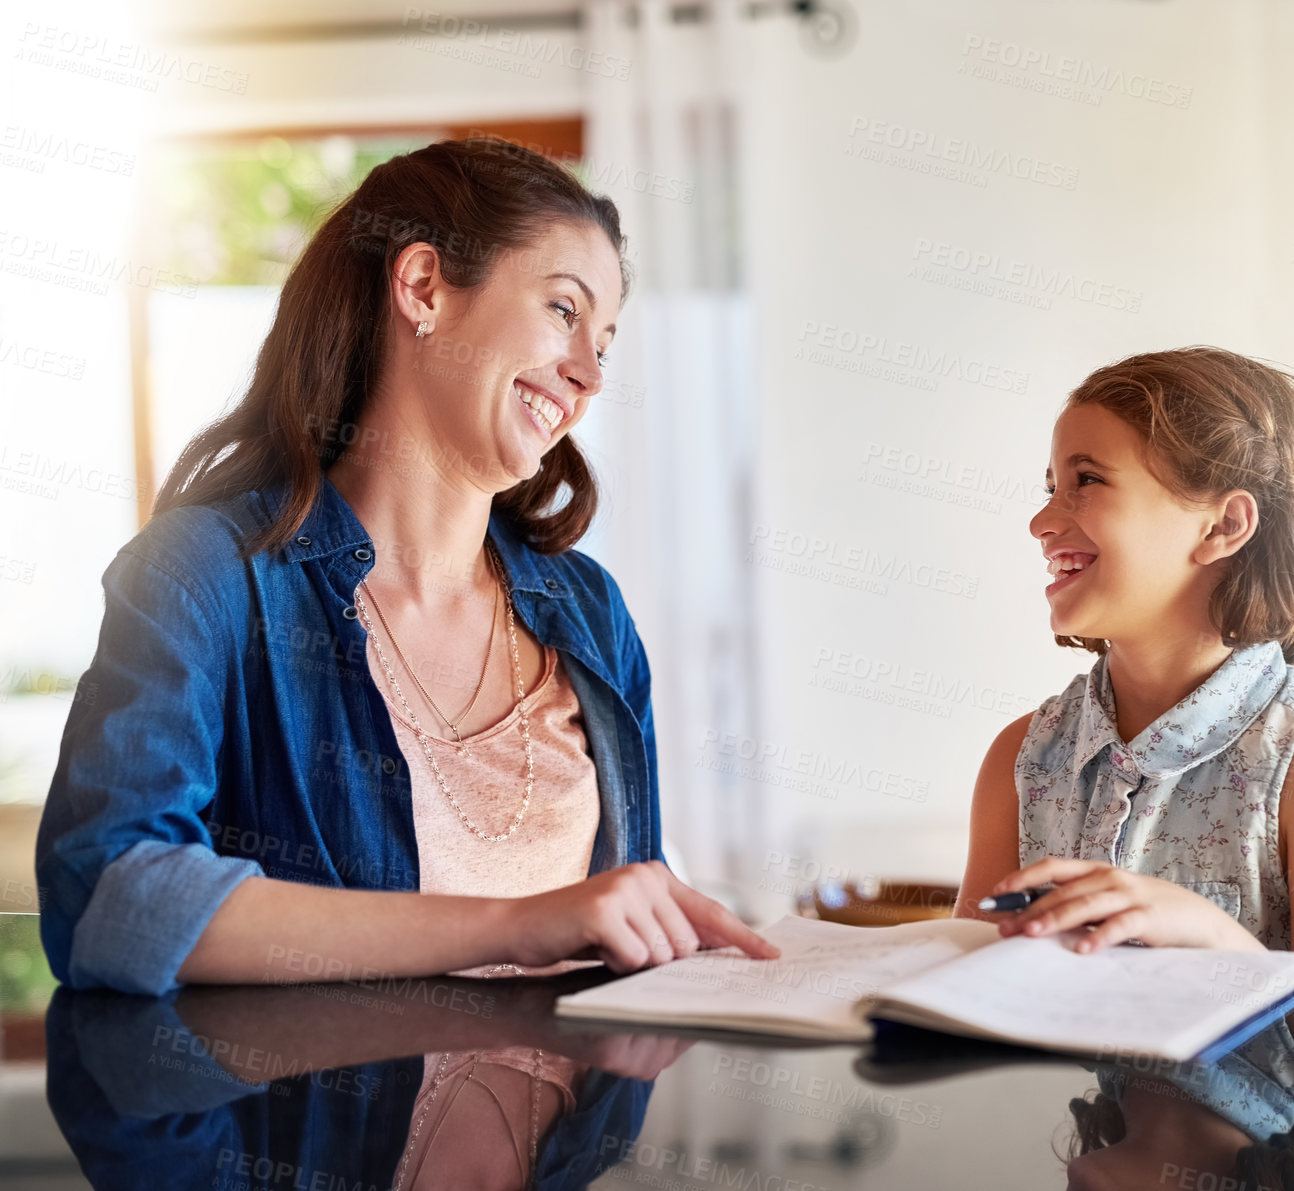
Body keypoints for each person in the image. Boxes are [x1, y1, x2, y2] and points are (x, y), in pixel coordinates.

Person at [35, 136, 777, 1003]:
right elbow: (107, 895)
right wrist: (517, 924)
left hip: (562, 1139)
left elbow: (627, 932)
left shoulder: (589, 612)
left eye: (604, 344)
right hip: (314, 1139)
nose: (587, 375)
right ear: (423, 287)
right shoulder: (204, 575)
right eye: (564, 311)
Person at [956, 347, 1294, 957]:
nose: (1041, 521)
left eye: (1086, 480)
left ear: (1222, 527)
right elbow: (963, 991)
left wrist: (1213, 933)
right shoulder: (1020, 759)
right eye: (1051, 486)